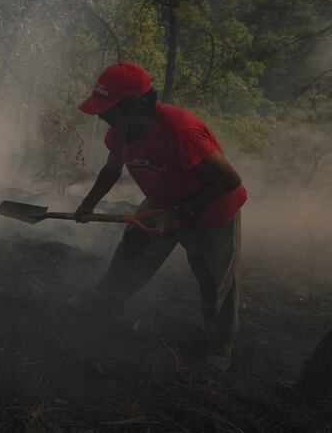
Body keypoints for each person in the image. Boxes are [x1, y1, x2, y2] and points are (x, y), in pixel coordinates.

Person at [67, 62, 246, 371]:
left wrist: (181, 213)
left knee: (214, 282)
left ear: (134, 105)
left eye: (108, 109)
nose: (102, 116)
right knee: (131, 255)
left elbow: (230, 181)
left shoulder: (181, 131)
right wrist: (88, 203)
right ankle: (104, 299)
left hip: (211, 212)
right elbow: (112, 169)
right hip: (161, 204)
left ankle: (220, 341)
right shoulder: (121, 131)